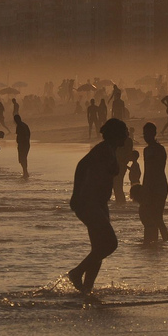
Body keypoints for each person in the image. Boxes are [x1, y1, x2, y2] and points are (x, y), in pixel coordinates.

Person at [67, 118, 129, 295]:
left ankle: (87, 290)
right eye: (125, 132)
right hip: (88, 202)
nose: (127, 135)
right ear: (117, 134)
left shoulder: (111, 149)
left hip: (99, 203)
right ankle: (76, 273)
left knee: (98, 248)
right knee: (110, 244)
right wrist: (75, 193)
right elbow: (81, 165)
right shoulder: (103, 150)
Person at [140, 122, 168, 245]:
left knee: (157, 217)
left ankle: (165, 242)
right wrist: (144, 188)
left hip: (160, 186)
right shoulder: (146, 150)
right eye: (144, 134)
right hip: (149, 186)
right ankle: (151, 241)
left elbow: (159, 169)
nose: (146, 136)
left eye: (148, 134)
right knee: (147, 216)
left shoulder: (159, 149)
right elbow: (146, 171)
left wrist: (151, 186)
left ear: (154, 134)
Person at [14, 114, 31, 178]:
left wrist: (21, 142)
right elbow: (28, 134)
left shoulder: (19, 126)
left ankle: (25, 173)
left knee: (22, 159)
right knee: (23, 158)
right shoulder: (24, 125)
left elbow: (20, 135)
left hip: (22, 144)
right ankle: (25, 172)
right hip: (26, 144)